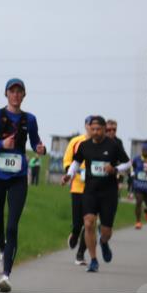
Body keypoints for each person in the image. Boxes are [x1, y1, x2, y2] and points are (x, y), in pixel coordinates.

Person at [0, 78, 47, 292]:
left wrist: (40, 148)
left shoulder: (29, 119)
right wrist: (0, 144)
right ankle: (2, 249)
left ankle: (6, 275)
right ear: (6, 94)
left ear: (24, 95)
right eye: (12, 91)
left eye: (19, 92)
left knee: (12, 225)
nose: (15, 95)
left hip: (18, 178)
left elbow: (35, 142)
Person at [62, 116, 131, 273]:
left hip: (109, 192)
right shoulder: (84, 146)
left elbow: (127, 163)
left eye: (98, 129)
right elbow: (76, 163)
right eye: (92, 129)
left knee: (106, 231)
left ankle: (104, 242)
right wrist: (69, 175)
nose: (95, 132)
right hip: (90, 191)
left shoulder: (113, 145)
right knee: (88, 223)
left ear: (104, 129)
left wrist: (115, 170)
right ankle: (93, 260)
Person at [64, 117, 94, 266]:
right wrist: (69, 174)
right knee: (78, 223)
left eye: (95, 125)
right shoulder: (76, 141)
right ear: (85, 126)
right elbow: (67, 161)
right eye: (90, 125)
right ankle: (74, 234)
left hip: (95, 189)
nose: (92, 128)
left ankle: (81, 254)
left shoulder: (102, 144)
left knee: (89, 223)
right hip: (77, 187)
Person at [131, 142, 147, 229]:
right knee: (138, 201)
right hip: (138, 185)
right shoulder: (137, 159)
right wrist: (133, 173)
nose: (145, 151)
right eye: (143, 150)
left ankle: (146, 210)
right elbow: (132, 167)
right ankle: (138, 221)